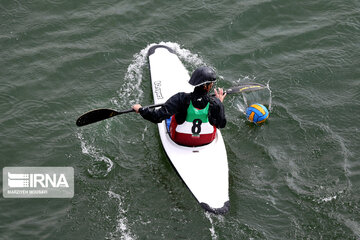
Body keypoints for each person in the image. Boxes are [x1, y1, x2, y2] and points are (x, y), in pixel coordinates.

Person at [132, 66, 227, 146]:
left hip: (180, 139)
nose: (212, 85)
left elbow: (156, 117)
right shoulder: (215, 102)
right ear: (206, 86)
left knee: (174, 113)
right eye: (211, 84)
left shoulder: (180, 98)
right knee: (212, 117)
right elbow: (221, 124)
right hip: (206, 140)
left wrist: (140, 109)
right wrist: (220, 104)